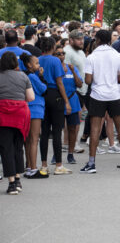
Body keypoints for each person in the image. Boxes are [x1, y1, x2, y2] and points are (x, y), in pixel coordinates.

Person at [80, 29, 120, 173]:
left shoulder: (91, 57)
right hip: (114, 94)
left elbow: (88, 80)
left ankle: (91, 164)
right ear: (110, 40)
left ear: (97, 40)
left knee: (95, 129)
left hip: (97, 95)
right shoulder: (117, 56)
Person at [0, 52, 34, 194]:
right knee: (18, 147)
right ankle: (18, 178)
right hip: (21, 114)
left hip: (2, 114)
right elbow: (30, 97)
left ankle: (12, 183)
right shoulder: (23, 76)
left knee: (6, 148)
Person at [37, 37, 71, 175]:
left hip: (42, 94)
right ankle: (58, 164)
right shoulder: (55, 61)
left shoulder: (37, 60)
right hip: (55, 94)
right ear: (52, 47)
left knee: (44, 132)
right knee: (57, 131)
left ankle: (44, 165)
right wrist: (66, 101)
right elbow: (59, 82)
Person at [21, 54, 47, 178]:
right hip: (36, 107)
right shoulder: (33, 76)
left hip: (27, 107)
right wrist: (41, 77)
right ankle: (34, 168)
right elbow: (43, 89)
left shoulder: (25, 75)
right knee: (34, 139)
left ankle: (29, 167)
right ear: (29, 65)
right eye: (36, 63)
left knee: (28, 140)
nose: (39, 65)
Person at [55, 47, 82, 165]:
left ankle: (70, 154)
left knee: (72, 128)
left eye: (63, 53)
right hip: (58, 101)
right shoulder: (54, 68)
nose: (61, 55)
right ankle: (57, 155)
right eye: (58, 53)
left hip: (72, 99)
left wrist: (74, 72)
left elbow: (80, 84)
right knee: (57, 129)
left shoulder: (72, 68)